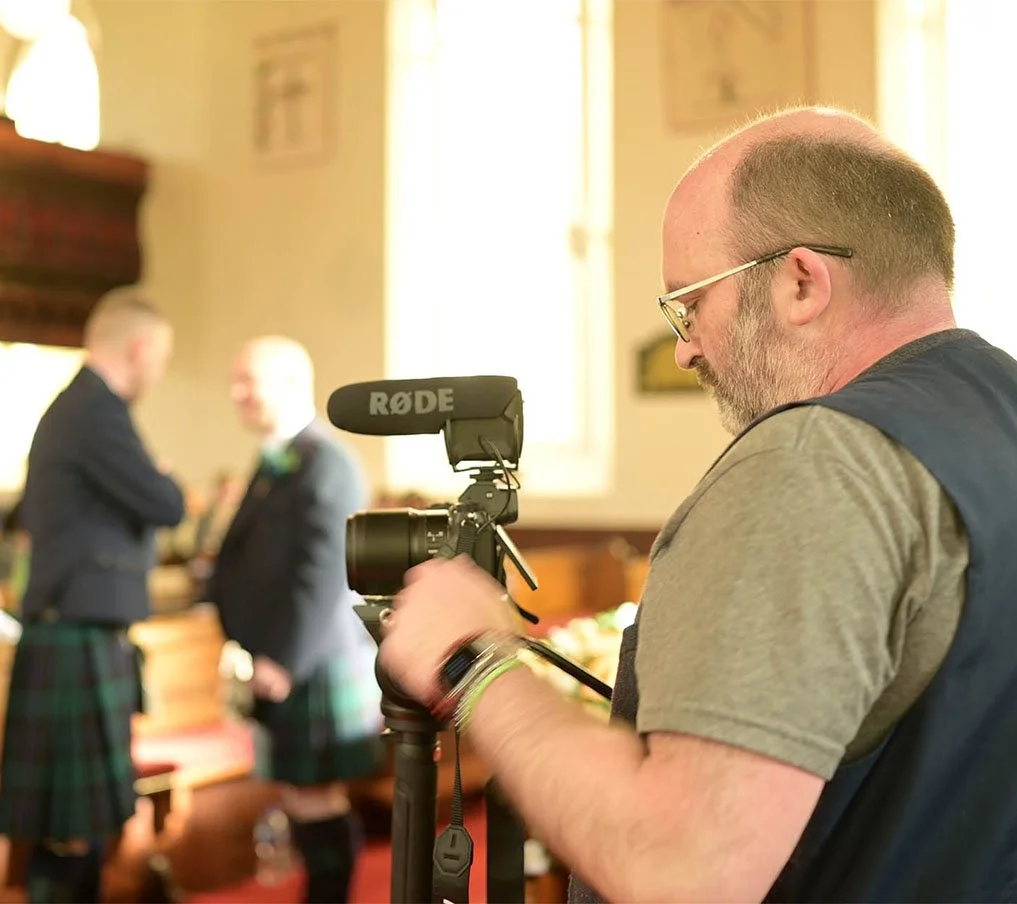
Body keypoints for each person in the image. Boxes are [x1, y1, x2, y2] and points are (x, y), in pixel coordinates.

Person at [377, 105, 1017, 902]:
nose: (684, 348)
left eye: (690, 304)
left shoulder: (813, 462)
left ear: (800, 281)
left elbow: (682, 871)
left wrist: (471, 661)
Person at [0, 289, 184, 903]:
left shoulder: (79, 407)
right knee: (71, 834)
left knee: (72, 830)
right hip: (75, 633)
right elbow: (166, 504)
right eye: (161, 358)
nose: (159, 371)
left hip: (73, 628)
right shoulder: (95, 410)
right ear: (139, 347)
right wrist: (159, 479)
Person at [208, 336, 382, 904]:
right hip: (288, 655)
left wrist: (283, 658)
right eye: (235, 381)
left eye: (248, 381)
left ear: (289, 383)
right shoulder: (279, 459)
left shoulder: (325, 462)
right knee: (299, 794)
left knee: (315, 797)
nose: (236, 393)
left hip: (312, 658)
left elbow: (324, 571)